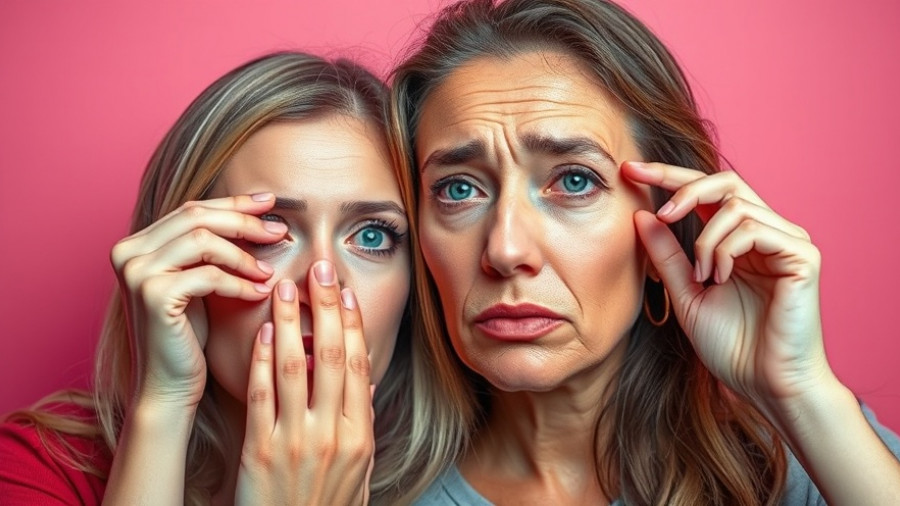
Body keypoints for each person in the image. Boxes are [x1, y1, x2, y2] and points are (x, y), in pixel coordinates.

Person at [389, 0, 900, 504]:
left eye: (574, 180)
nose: (505, 250)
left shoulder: (799, 466)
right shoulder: (355, 488)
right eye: (458, 190)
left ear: (666, 223)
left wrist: (801, 392)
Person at [0, 51, 416, 505]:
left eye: (373, 236)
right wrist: (162, 403)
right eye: (268, 230)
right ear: (181, 260)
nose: (323, 288)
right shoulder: (36, 469)